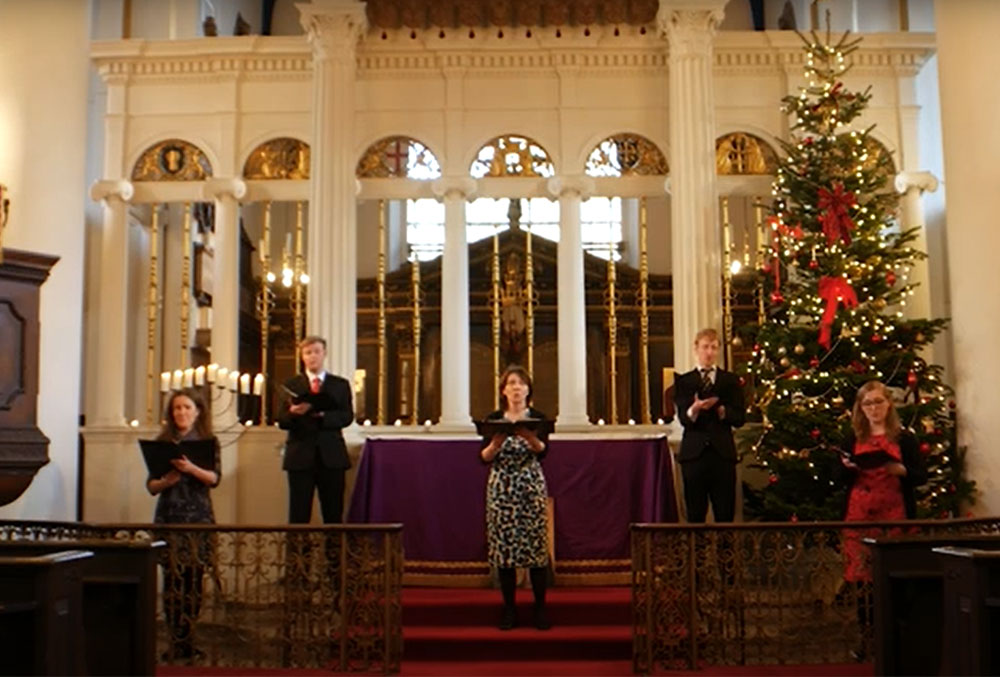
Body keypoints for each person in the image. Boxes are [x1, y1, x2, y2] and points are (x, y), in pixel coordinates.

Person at [839, 380, 927, 660]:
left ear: (889, 404)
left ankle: (899, 640)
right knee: (864, 585)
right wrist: (848, 468)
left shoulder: (904, 438)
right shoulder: (852, 438)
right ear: (860, 409)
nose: (874, 408)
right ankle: (868, 641)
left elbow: (921, 476)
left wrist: (902, 470)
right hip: (860, 517)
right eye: (867, 403)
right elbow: (837, 479)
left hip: (895, 515)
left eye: (878, 402)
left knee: (897, 580)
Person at [146, 388, 221, 662]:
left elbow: (214, 478)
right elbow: (151, 485)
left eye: (187, 408)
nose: (182, 413)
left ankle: (189, 639)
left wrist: (191, 470)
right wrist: (165, 481)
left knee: (193, 583)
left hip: (197, 520)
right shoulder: (162, 442)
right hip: (169, 518)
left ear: (197, 411)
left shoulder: (207, 442)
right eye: (177, 408)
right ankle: (174, 641)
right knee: (171, 583)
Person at [479, 365, 552, 631]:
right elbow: (483, 457)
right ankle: (509, 609)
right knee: (505, 550)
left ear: (528, 389)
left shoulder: (538, 418)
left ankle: (540, 608)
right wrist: (495, 444)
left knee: (535, 548)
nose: (517, 387)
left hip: (529, 485)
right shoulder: (494, 418)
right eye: (511, 383)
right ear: (503, 390)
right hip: (502, 487)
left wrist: (530, 438)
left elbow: (544, 451)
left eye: (521, 383)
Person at [278, 335, 354, 524]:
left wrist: (323, 416)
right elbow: (281, 420)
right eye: (307, 353)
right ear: (302, 356)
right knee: (298, 513)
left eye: (316, 352)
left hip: (332, 456)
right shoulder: (291, 385)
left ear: (324, 354)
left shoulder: (340, 385)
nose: (312, 356)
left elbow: (347, 416)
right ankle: (298, 554)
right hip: (300, 455)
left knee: (333, 512)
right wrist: (294, 413)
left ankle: (334, 554)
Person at [674, 328, 746, 523]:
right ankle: (697, 554)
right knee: (695, 513)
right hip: (694, 455)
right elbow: (683, 418)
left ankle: (725, 554)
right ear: (696, 349)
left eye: (714, 348)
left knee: (724, 512)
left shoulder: (729, 381)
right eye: (705, 347)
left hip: (722, 454)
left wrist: (723, 411)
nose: (709, 352)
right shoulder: (684, 381)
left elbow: (740, 417)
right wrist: (695, 409)